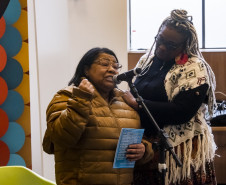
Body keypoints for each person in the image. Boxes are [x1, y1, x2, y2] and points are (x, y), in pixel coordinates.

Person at [123, 9, 217, 185]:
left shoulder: (194, 67)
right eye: (160, 39)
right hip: (146, 147)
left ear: (185, 45)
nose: (162, 47)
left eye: (172, 45)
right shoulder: (146, 60)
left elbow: (182, 112)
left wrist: (139, 105)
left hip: (181, 151)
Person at [42, 47, 154, 185]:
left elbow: (140, 139)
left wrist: (143, 149)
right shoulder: (67, 96)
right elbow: (60, 138)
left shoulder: (125, 101)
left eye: (115, 66)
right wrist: (81, 99)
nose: (112, 69)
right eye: (104, 64)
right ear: (86, 69)